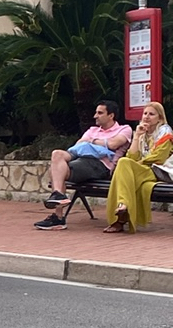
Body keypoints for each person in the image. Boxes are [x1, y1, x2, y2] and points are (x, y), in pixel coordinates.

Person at [33, 100, 132, 229]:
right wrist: (101, 143)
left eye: (100, 113)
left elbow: (114, 144)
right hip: (82, 158)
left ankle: (58, 217)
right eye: (96, 112)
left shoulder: (124, 129)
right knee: (57, 154)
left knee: (57, 172)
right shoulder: (92, 129)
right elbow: (78, 145)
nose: (95, 116)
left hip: (101, 165)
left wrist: (91, 141)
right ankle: (58, 194)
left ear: (111, 115)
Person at [104, 101, 173, 233]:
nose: (146, 117)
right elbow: (132, 158)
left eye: (151, 114)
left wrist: (138, 163)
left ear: (160, 117)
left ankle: (120, 217)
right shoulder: (143, 133)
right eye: (145, 113)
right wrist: (136, 136)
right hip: (144, 170)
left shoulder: (166, 132)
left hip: (160, 171)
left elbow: (159, 157)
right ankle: (123, 207)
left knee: (123, 168)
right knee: (124, 165)